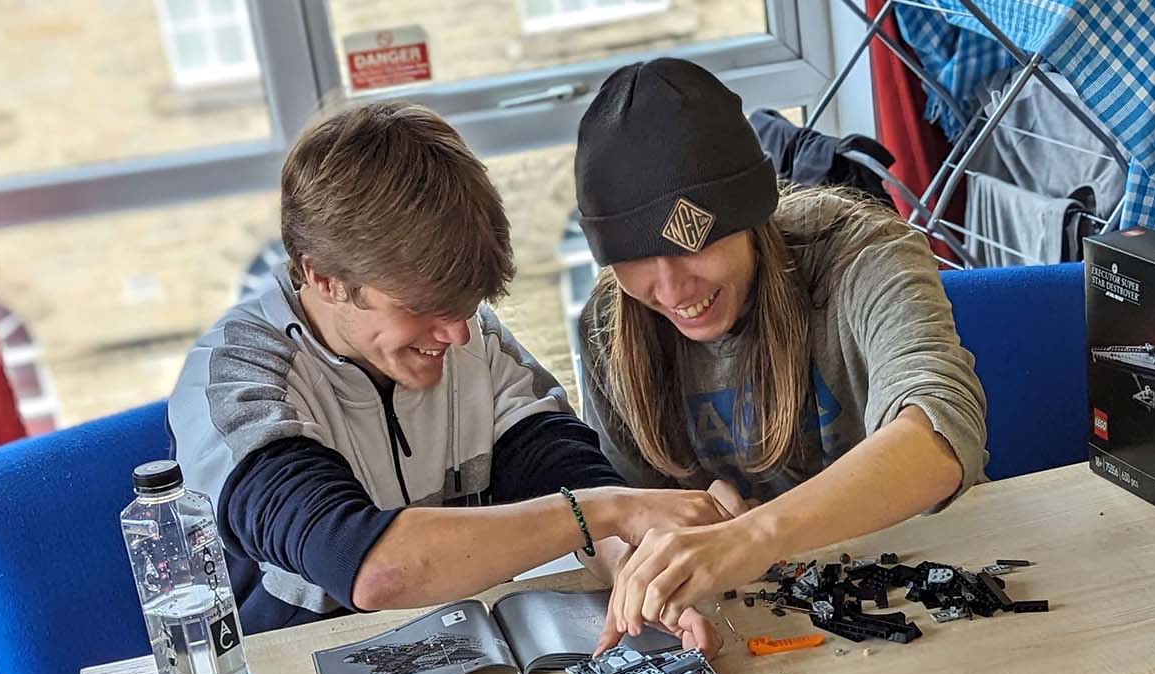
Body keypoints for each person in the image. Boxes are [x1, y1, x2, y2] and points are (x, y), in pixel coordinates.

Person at [574, 58, 1031, 674]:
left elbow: (941, 431)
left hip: (952, 672)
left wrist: (751, 536)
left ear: (753, 211)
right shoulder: (608, 326)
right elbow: (628, 518)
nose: (671, 287)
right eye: (635, 262)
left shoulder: (861, 252)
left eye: (693, 248)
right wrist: (655, 569)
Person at [167, 98, 736, 637]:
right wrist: (614, 510)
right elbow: (373, 567)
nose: (458, 334)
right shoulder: (235, 382)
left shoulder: (472, 337)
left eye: (465, 306)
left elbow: (568, 479)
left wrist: (637, 574)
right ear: (324, 279)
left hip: (470, 662)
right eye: (422, 308)